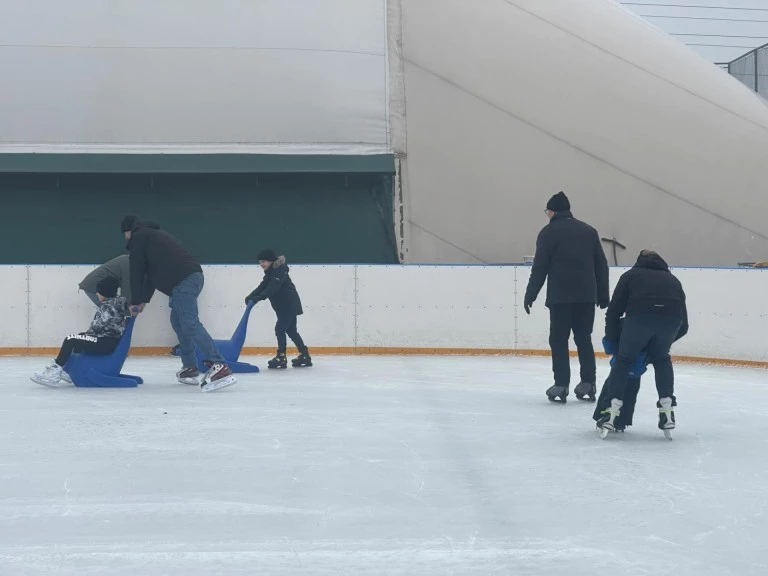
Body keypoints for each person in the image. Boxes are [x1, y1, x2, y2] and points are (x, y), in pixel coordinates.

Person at [121, 215, 236, 392]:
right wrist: (142, 300)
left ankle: (219, 365)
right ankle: (190, 367)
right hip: (189, 278)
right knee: (179, 322)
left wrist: (135, 301)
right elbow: (149, 275)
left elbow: (136, 272)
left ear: (128, 231)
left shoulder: (138, 237)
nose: (126, 239)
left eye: (125, 235)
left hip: (183, 281)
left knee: (189, 323)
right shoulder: (152, 236)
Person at [523, 191, 610, 403]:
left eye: (547, 211)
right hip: (586, 297)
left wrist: (530, 294)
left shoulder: (548, 233)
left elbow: (540, 267)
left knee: (559, 340)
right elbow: (601, 264)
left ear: (552, 211)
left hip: (560, 297)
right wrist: (603, 293)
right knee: (584, 339)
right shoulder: (589, 231)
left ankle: (561, 385)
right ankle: (588, 383)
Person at [596, 250, 688, 437]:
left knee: (624, 360)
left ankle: (611, 411)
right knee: (662, 360)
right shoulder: (673, 280)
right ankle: (667, 408)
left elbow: (613, 312)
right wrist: (657, 348)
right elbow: (684, 325)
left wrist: (614, 341)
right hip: (671, 322)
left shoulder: (630, 275)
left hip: (639, 319)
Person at [31, 277, 131, 387]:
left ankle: (53, 374)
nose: (97, 294)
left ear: (105, 292)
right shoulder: (117, 303)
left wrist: (89, 333)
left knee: (70, 339)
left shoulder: (108, 306)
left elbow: (97, 327)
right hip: (109, 341)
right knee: (79, 337)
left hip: (103, 342)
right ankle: (69, 369)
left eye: (99, 291)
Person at [245, 249, 312, 369]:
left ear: (271, 261)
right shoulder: (270, 273)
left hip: (288, 306)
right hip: (284, 307)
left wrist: (260, 297)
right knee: (291, 331)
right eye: (260, 262)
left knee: (280, 329)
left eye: (264, 261)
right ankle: (304, 355)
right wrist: (251, 296)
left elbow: (273, 287)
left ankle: (281, 357)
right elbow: (263, 286)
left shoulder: (280, 271)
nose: (261, 264)